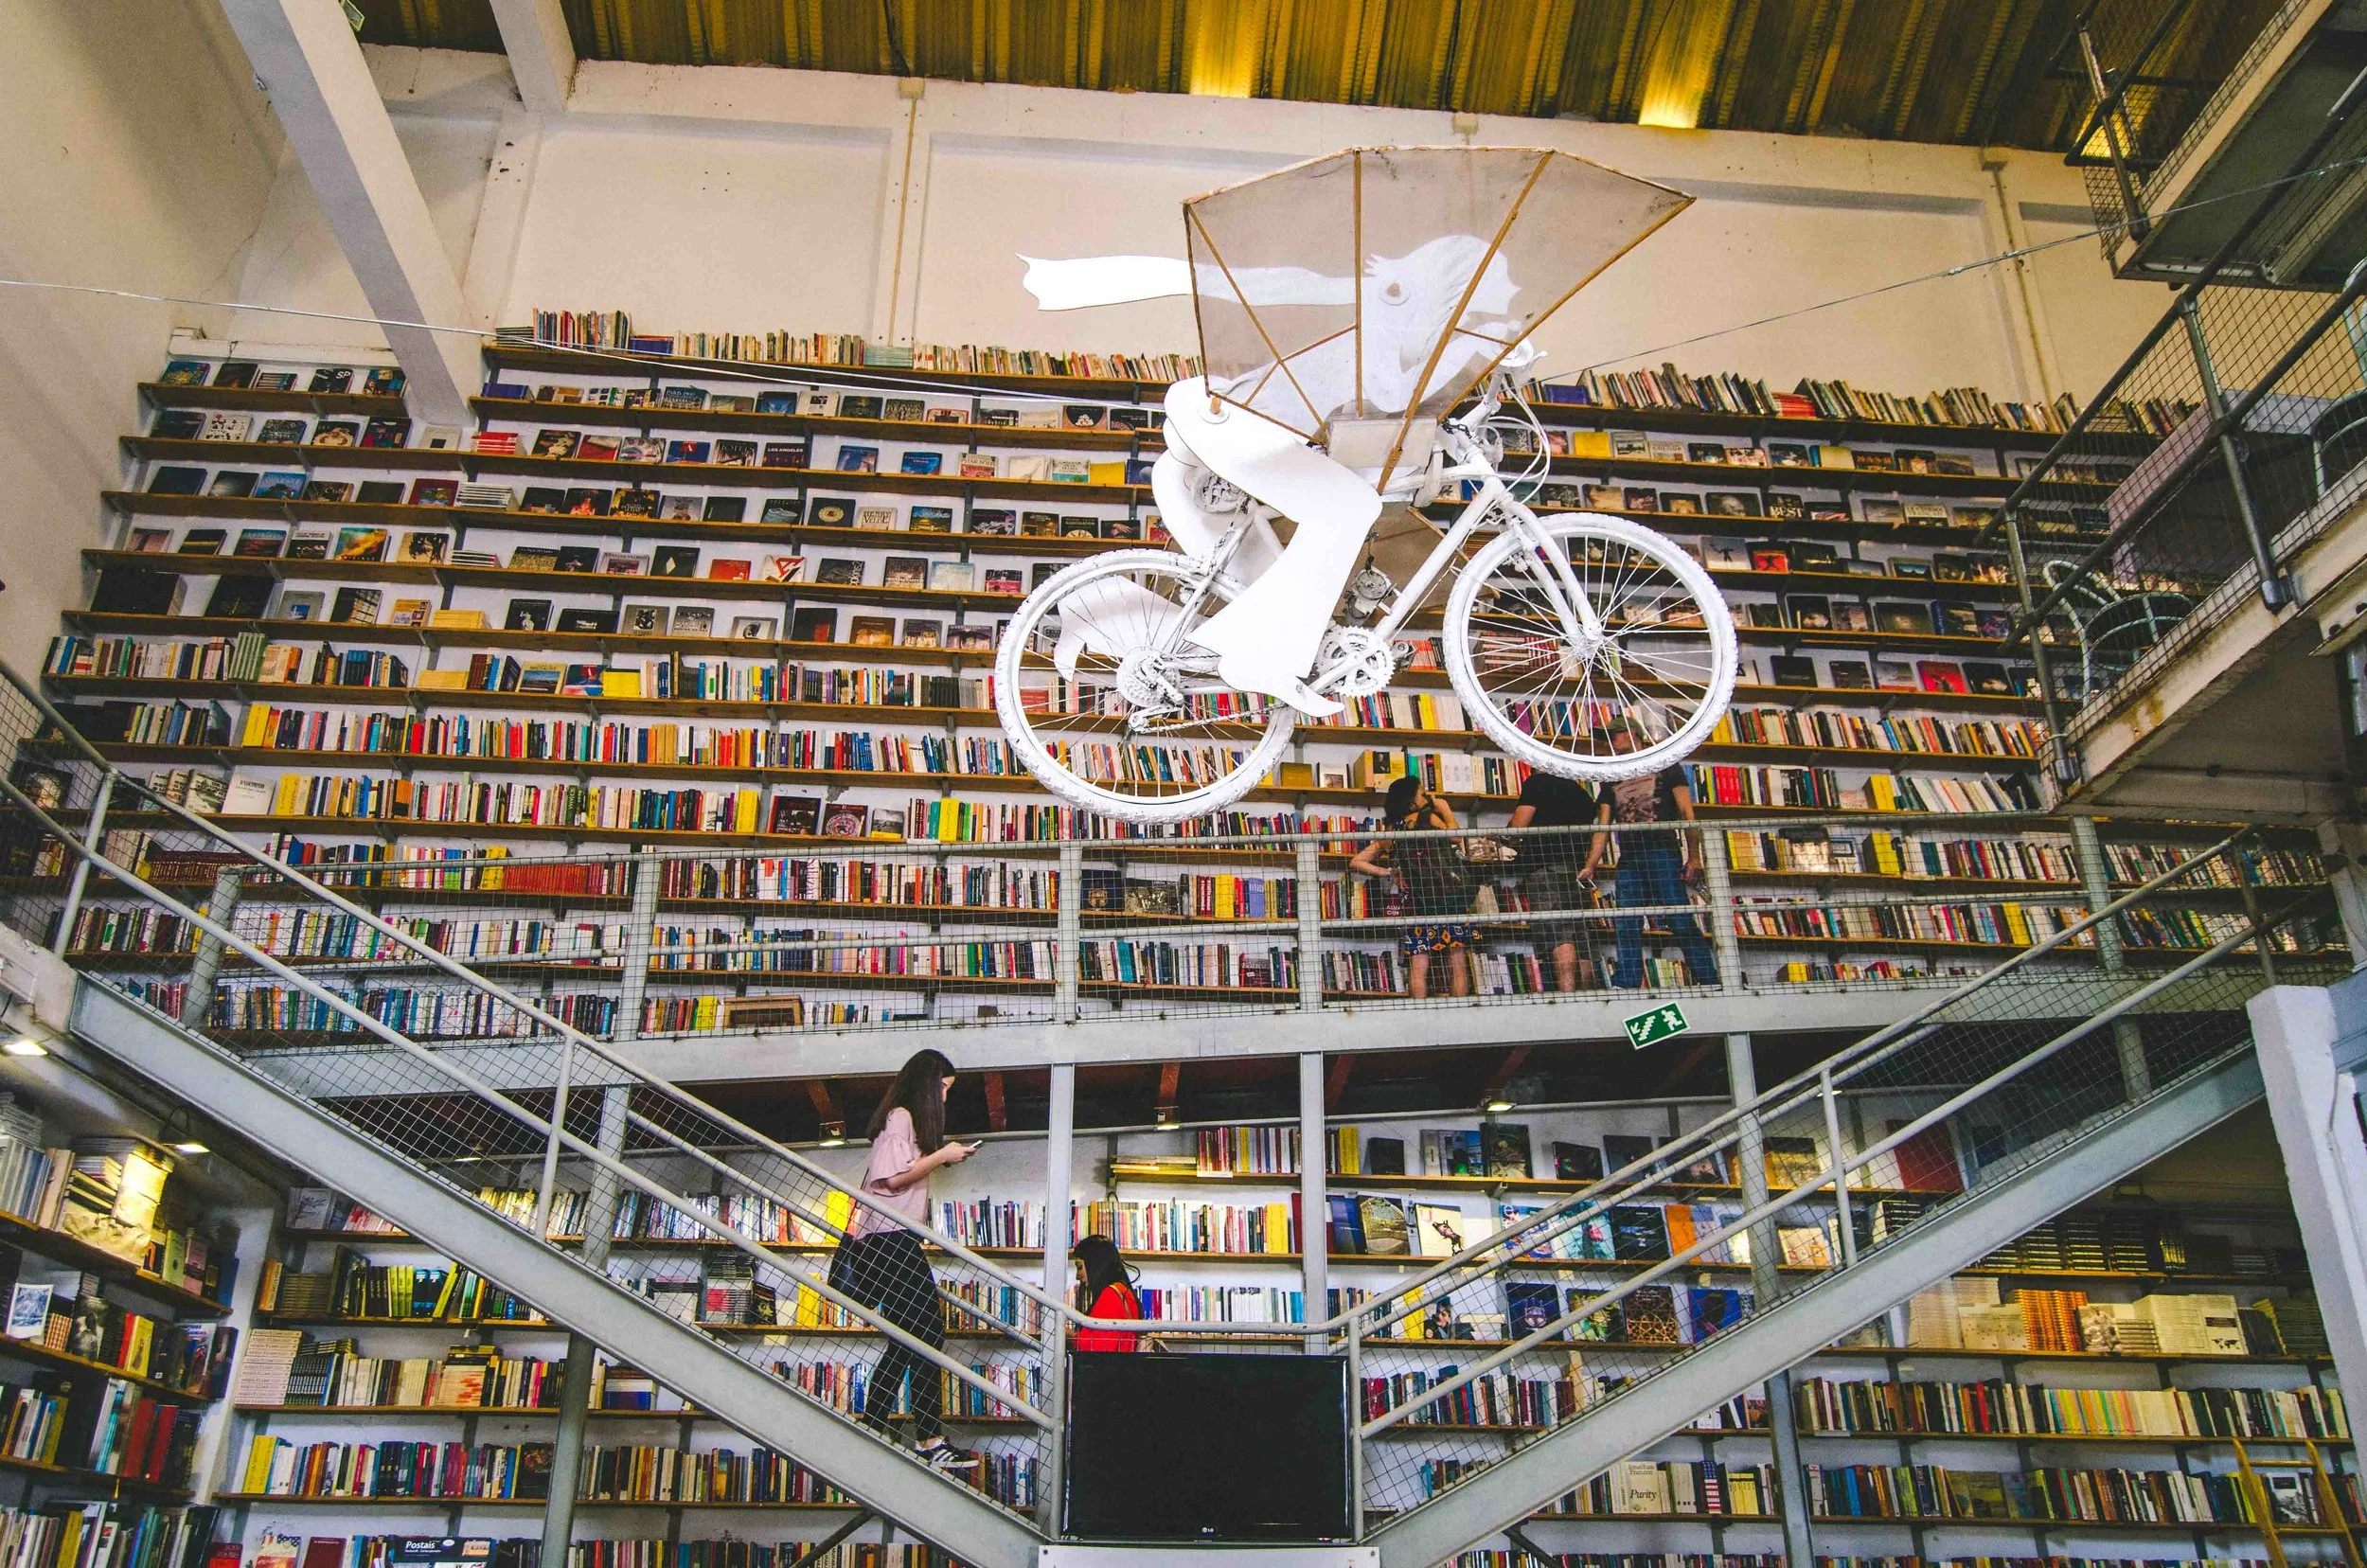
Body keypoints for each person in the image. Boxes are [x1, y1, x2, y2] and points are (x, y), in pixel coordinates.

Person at [830, 1048, 982, 1474]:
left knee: (905, 1340)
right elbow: (891, 1180)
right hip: (888, 1241)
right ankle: (929, 1439)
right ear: (927, 1085)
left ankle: (874, 1425)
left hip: (892, 1240)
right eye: (944, 1088)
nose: (945, 1098)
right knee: (928, 1332)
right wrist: (941, 1156)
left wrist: (938, 1157)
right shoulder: (899, 1117)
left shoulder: (906, 1122)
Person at [1577, 725, 1720, 989]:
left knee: (1679, 918)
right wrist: (1590, 865)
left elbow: (1686, 812)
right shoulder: (1611, 776)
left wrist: (1694, 857)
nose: (1609, 742)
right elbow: (1603, 826)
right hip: (1629, 858)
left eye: (1613, 735)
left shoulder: (1665, 764)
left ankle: (1708, 980)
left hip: (1662, 851)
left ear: (1632, 734)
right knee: (1627, 922)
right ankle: (1626, 983)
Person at [1349, 775, 1474, 999]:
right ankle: (1460, 1015)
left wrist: (1390, 872)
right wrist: (1445, 810)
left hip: (1416, 904)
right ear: (1413, 800)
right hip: (1449, 899)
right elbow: (1456, 838)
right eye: (1423, 792)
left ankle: (1418, 1014)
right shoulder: (1427, 818)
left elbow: (1356, 862)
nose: (1427, 796)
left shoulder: (1391, 830)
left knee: (1418, 967)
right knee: (1456, 963)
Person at [1506, 768, 1599, 991]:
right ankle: (1588, 1000)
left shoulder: (1537, 783)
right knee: (1581, 939)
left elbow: (1517, 827)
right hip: (1576, 870)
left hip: (1545, 868)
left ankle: (1567, 999)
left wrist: (1506, 836)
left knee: (1558, 937)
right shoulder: (1582, 794)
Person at [1070, 1235, 1147, 1352]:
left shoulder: (1111, 1295)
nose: (1077, 1276)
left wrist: (1068, 1335)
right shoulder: (1123, 1292)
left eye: (1080, 1267)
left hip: (1109, 1363)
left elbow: (1098, 1347)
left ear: (1095, 1264)